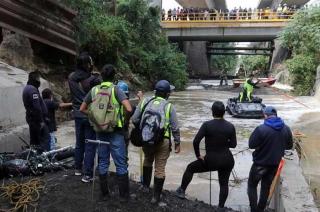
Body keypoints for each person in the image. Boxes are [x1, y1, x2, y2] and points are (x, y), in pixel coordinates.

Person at [80, 64, 132, 202]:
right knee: (120, 163)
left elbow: (82, 109)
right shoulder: (116, 90)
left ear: (101, 76)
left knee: (103, 161)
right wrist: (124, 120)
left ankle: (104, 194)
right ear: (114, 76)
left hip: (100, 131)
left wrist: (96, 119)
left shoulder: (94, 90)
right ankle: (123, 197)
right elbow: (128, 108)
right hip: (116, 130)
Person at [175, 101, 237, 210]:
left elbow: (196, 141)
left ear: (212, 112)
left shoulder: (207, 125)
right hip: (227, 160)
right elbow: (233, 144)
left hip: (211, 160)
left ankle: (181, 191)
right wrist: (222, 142)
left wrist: (198, 155)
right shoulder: (230, 126)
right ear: (224, 113)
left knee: (190, 168)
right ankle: (221, 207)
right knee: (224, 184)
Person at [132, 80, 181, 205]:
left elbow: (135, 119)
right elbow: (175, 127)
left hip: (146, 139)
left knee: (148, 160)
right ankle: (155, 197)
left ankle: (145, 187)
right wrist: (177, 143)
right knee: (160, 169)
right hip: (162, 141)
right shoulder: (169, 106)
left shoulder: (145, 101)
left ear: (155, 92)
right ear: (167, 94)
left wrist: (145, 131)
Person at [247, 106, 293, 212]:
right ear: (276, 115)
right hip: (274, 165)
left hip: (259, 165)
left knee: (252, 186)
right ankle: (260, 210)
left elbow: (251, 145)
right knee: (265, 188)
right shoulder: (286, 128)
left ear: (265, 116)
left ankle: (253, 210)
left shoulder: (261, 129)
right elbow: (289, 146)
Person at [68, 52, 101, 181]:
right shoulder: (93, 79)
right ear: (87, 64)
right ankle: (87, 174)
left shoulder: (71, 77)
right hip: (88, 114)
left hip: (77, 114)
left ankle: (77, 169)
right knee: (90, 144)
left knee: (79, 143)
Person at [22, 71, 49, 151]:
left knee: (34, 142)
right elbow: (37, 108)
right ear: (35, 80)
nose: (39, 81)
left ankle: (35, 159)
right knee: (44, 140)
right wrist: (41, 121)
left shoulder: (28, 88)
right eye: (38, 79)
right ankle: (45, 159)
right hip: (36, 120)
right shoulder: (32, 90)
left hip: (33, 119)